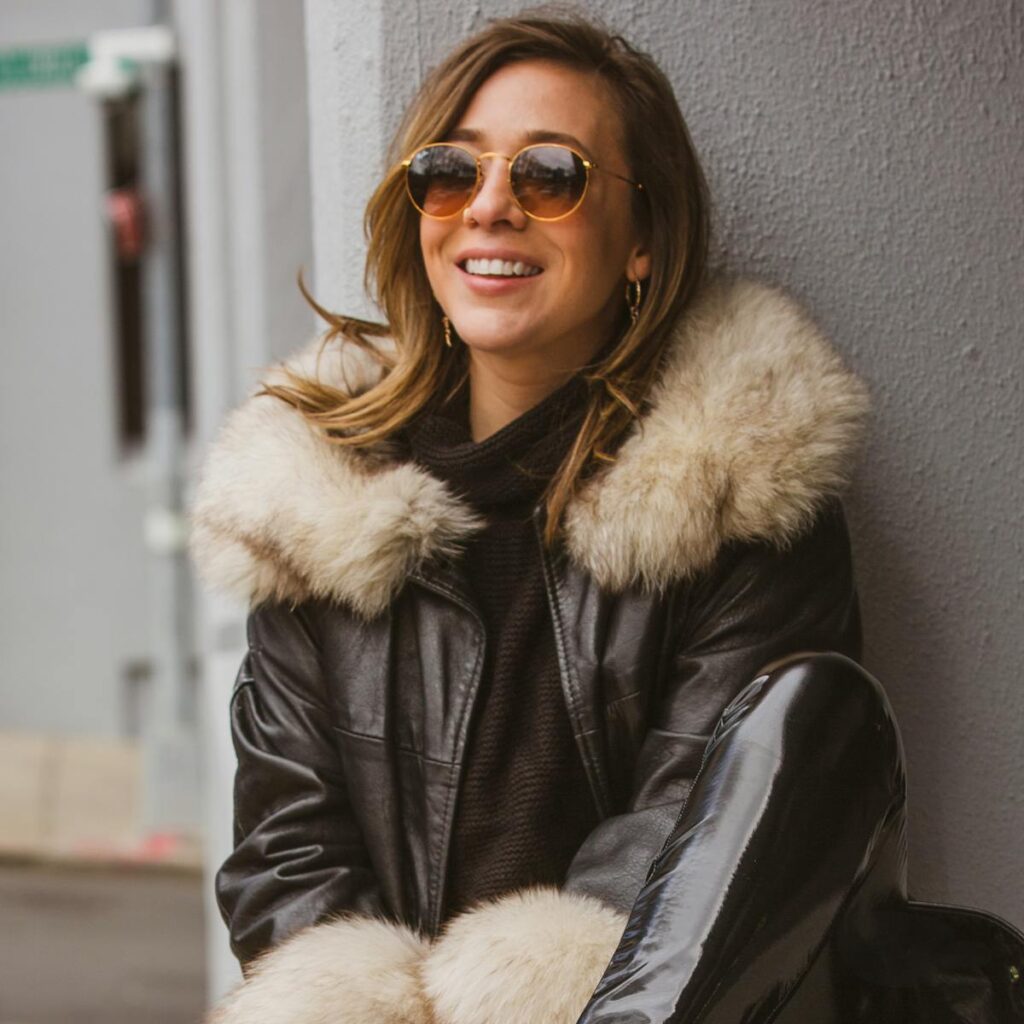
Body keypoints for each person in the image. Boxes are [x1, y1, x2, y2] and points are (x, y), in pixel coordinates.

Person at [190, 11, 1024, 1024]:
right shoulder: (321, 506)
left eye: (551, 175)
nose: (489, 207)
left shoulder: (736, 500)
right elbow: (287, 860)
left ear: (641, 240)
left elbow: (686, 875)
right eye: (449, 172)